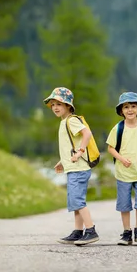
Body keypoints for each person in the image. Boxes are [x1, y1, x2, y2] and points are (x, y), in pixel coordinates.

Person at [44, 86, 99, 246]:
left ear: (68, 106)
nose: (55, 107)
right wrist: (63, 161)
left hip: (79, 169)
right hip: (73, 168)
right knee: (75, 202)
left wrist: (80, 151)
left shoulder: (71, 120)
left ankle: (91, 231)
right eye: (53, 104)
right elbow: (69, 145)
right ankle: (77, 231)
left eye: (59, 104)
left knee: (77, 201)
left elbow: (87, 134)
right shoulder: (64, 123)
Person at [106, 91, 137, 245]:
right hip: (123, 173)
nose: (130, 110)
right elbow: (110, 148)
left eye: (133, 106)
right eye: (126, 107)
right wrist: (121, 158)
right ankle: (127, 231)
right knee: (124, 204)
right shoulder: (118, 128)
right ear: (121, 111)